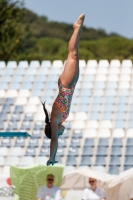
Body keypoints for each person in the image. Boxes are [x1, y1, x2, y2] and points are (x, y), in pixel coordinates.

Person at [42, 14, 85, 166]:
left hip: (66, 85)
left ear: (53, 130)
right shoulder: (60, 119)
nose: (61, 132)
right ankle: (78, 30)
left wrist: (51, 157)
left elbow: (54, 140)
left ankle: (76, 28)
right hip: (70, 86)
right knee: (75, 54)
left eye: (60, 133)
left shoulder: (54, 120)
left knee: (72, 55)